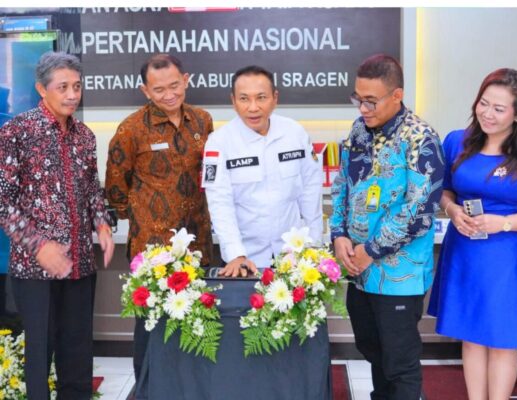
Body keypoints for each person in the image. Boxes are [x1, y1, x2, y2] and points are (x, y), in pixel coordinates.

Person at [427, 68, 517, 400]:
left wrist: (503, 223)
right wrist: (452, 210)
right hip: (464, 250)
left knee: (502, 338)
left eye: (499, 108)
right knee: (471, 335)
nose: (488, 113)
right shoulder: (457, 141)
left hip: (509, 255)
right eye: (484, 103)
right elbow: (444, 190)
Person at [0, 51, 114, 400]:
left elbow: (91, 189)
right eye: (63, 87)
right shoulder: (17, 132)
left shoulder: (85, 135)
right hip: (35, 271)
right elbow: (3, 201)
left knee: (78, 355)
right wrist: (39, 246)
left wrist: (102, 225)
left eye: (77, 86)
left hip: (80, 263)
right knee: (40, 355)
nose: (72, 95)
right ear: (41, 88)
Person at [330, 53, 444, 400]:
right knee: (372, 349)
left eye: (371, 101)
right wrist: (338, 235)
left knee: (399, 362)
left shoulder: (421, 138)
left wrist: (372, 250)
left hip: (398, 275)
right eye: (358, 98)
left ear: (397, 95)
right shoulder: (358, 131)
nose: (363, 108)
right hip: (360, 270)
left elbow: (419, 210)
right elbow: (343, 185)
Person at [105, 54, 214, 389]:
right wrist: (145, 218)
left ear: (186, 80)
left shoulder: (203, 121)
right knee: (151, 328)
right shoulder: (131, 129)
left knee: (197, 325)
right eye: (159, 89)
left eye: (174, 85)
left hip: (198, 245)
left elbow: (212, 175)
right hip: (153, 252)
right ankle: (147, 390)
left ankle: (191, 390)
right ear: (145, 90)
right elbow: (115, 188)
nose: (169, 94)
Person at [201, 65, 323, 277]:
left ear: (275, 98)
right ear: (233, 101)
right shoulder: (219, 142)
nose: (253, 107)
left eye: (261, 97)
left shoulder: (294, 133)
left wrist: (314, 245)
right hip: (246, 261)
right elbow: (220, 203)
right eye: (244, 99)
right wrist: (236, 254)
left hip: (294, 257)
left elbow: (311, 192)